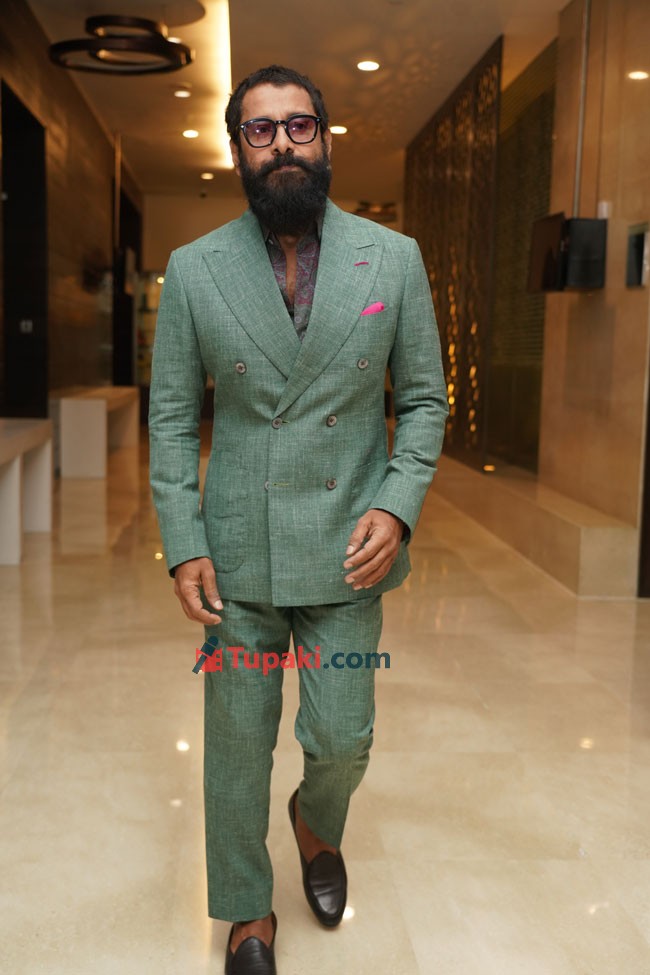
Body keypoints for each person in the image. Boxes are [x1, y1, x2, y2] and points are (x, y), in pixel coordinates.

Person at [149, 64, 448, 975]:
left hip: (349, 545)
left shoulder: (392, 258)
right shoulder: (195, 268)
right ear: (238, 148)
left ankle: (316, 821)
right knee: (238, 745)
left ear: (324, 137)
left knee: (344, 738)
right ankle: (248, 912)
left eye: (299, 125)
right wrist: (183, 541)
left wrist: (397, 504)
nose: (283, 142)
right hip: (237, 550)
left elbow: (424, 400)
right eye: (261, 129)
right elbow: (172, 417)